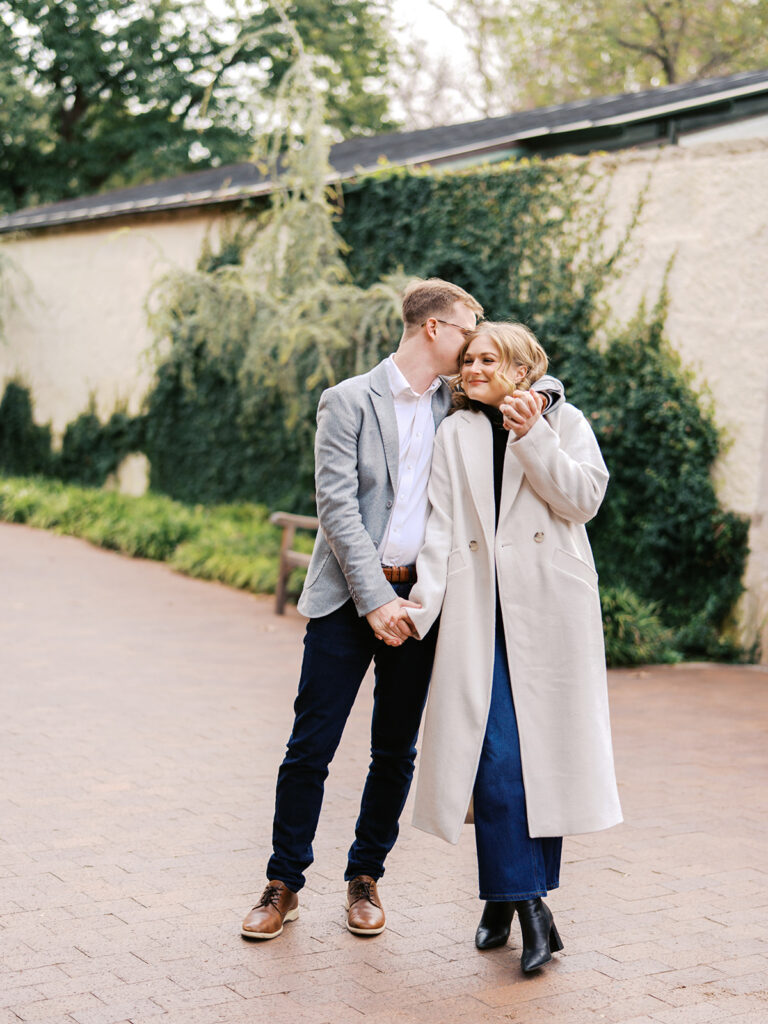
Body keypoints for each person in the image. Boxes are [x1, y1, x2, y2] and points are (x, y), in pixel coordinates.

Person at [241, 281, 565, 940]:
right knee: (311, 746)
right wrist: (375, 600)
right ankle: (283, 883)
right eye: (468, 332)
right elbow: (335, 506)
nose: (476, 348)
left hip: (424, 605)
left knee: (394, 751)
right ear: (435, 330)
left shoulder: (460, 400)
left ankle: (366, 877)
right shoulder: (347, 400)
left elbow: (541, 373)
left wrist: (545, 395)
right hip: (349, 601)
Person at [387, 321, 622, 972]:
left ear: (523, 371)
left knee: (541, 763)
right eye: (467, 359)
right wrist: (423, 605)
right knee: (496, 763)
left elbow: (583, 500)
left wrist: (534, 434)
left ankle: (505, 898)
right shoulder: (454, 432)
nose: (472, 367)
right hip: (476, 616)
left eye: (488, 358)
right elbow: (439, 526)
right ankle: (531, 908)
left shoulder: (562, 421)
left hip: (547, 614)